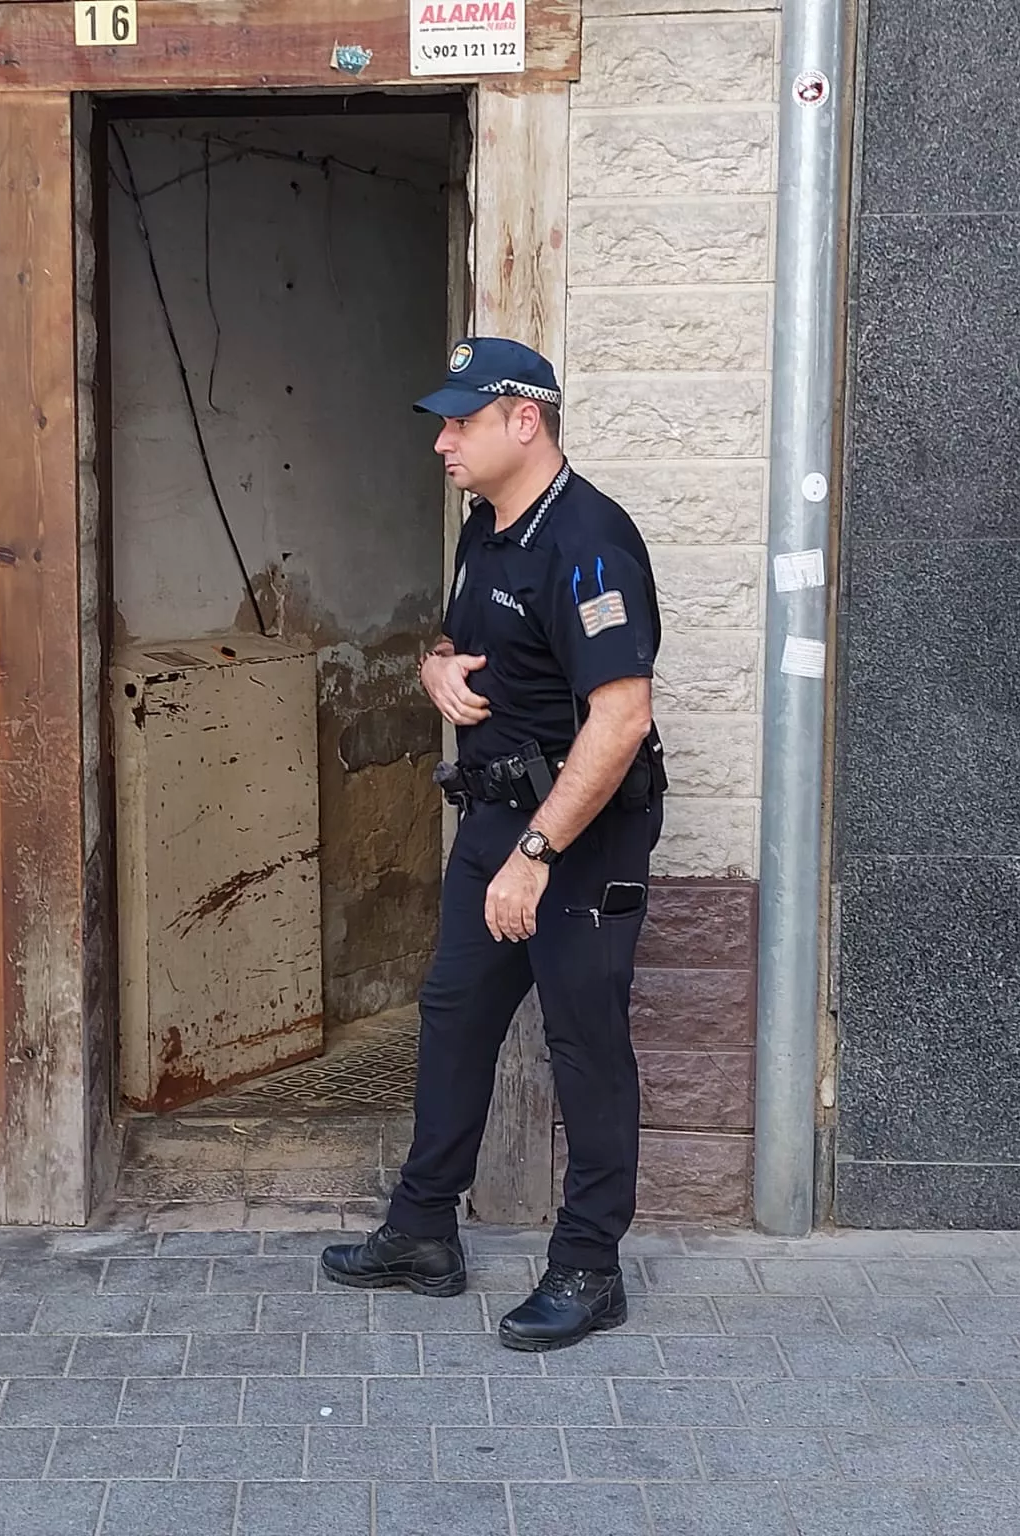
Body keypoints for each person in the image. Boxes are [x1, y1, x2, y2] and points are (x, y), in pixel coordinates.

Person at [321, 337, 668, 1352]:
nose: (441, 441)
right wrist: (434, 672)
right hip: (491, 818)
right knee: (453, 1017)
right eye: (443, 422)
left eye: (459, 422)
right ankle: (422, 1232)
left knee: (583, 1042)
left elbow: (619, 718)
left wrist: (536, 852)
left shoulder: (590, 542)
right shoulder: (486, 527)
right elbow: (457, 644)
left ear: (525, 421)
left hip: (576, 840)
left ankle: (587, 1267)